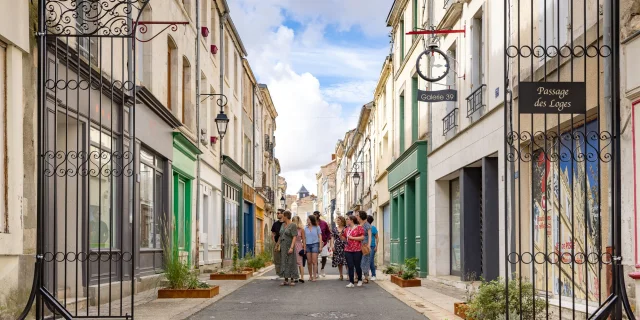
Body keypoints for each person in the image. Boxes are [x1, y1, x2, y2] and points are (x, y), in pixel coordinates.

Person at [342, 215, 364, 288]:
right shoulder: (346, 229)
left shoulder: (359, 228)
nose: (346, 220)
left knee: (357, 265)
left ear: (351, 220)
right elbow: (345, 239)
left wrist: (353, 238)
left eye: (347, 219)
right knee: (350, 266)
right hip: (348, 249)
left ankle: (360, 279)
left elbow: (362, 237)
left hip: (357, 249)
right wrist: (341, 237)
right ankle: (351, 282)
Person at [279, 210, 299, 286]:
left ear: (286, 216)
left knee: (291, 261)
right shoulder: (282, 225)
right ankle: (285, 279)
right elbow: (280, 235)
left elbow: (294, 236)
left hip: (290, 245)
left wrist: (291, 247)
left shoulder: (293, 225)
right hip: (283, 245)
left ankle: (292, 279)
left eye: (283, 216)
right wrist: (277, 244)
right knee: (284, 261)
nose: (282, 217)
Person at [305, 215, 323, 282]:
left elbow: (320, 237)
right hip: (307, 245)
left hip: (315, 244)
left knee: (314, 261)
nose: (307, 220)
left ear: (311, 220)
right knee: (309, 261)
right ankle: (310, 276)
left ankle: (314, 276)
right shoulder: (305, 228)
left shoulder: (317, 227)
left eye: (308, 219)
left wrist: (320, 246)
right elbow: (304, 237)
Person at [313, 211, 331, 277]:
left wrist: (327, 239)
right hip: (315, 243)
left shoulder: (324, 223)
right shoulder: (312, 224)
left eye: (316, 214)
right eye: (314, 214)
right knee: (315, 258)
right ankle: (316, 272)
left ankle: (322, 269)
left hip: (324, 242)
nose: (315, 215)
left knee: (324, 256)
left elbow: (328, 232)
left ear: (319, 215)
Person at [357, 211, 373, 284]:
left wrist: (369, 245)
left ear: (360, 216)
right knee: (357, 260)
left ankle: (366, 276)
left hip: (365, 244)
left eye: (357, 215)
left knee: (365, 261)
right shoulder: (357, 225)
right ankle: (356, 276)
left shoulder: (367, 225)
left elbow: (370, 236)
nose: (356, 216)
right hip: (357, 244)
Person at [331, 216, 348, 281]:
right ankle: (341, 275)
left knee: (346, 260)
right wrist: (332, 245)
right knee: (339, 261)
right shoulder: (335, 229)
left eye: (339, 220)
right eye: (337, 220)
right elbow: (332, 237)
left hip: (345, 245)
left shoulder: (346, 228)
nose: (337, 221)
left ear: (342, 221)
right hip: (337, 245)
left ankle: (348, 275)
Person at [271, 209, 284, 280]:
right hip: (277, 244)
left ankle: (285, 273)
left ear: (282, 214)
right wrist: (274, 242)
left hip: (285, 243)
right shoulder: (275, 224)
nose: (277, 214)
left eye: (278, 213)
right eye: (277, 213)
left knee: (285, 259)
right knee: (277, 259)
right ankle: (278, 274)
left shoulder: (286, 223)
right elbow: (273, 234)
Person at [292, 216, 306, 283]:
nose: (293, 222)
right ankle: (295, 277)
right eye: (292, 220)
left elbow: (303, 239)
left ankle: (302, 277)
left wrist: (305, 248)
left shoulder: (301, 229)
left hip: (299, 246)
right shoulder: (291, 228)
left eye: (294, 220)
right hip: (292, 245)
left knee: (300, 262)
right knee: (293, 262)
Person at [367, 215, 379, 281]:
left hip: (372, 246)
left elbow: (377, 237)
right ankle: (366, 274)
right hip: (365, 246)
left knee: (371, 260)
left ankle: (373, 275)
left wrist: (376, 246)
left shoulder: (373, 228)